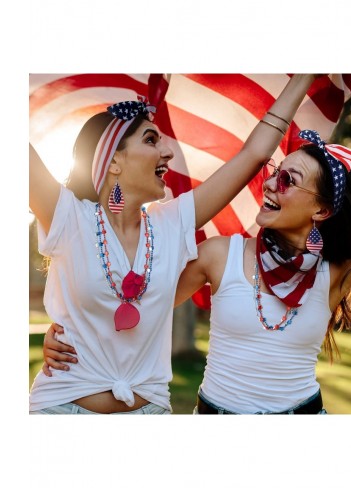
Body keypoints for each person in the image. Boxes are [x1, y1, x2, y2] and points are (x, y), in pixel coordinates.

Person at [29, 74, 320, 414]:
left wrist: (307, 74)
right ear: (114, 161)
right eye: (151, 140)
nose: (168, 151)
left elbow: (255, 154)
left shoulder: (171, 224)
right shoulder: (68, 217)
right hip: (60, 411)